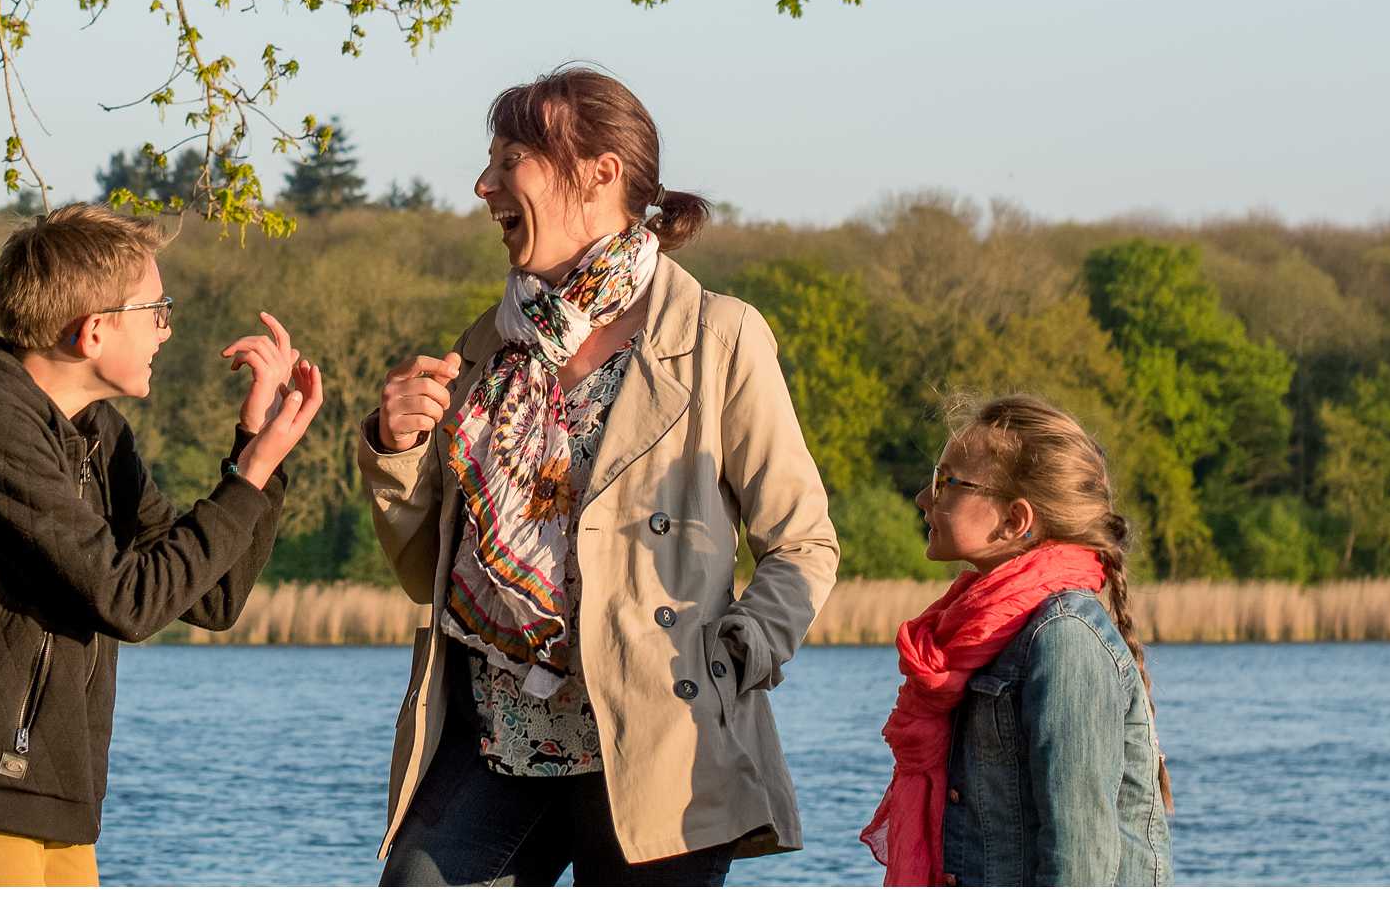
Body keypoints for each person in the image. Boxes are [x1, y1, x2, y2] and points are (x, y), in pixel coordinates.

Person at [362, 66, 838, 886]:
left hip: (662, 741)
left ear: (599, 171)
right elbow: (424, 576)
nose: (484, 184)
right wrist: (395, 449)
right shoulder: (488, 346)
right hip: (497, 738)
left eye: (510, 157)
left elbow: (803, 542)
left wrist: (735, 653)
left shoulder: (719, 335)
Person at [0, 203, 325, 885]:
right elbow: (129, 599)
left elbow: (213, 593)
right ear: (94, 330)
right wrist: (251, 474)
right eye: (156, 310)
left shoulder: (99, 434)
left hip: (54, 789)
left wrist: (254, 453)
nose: (166, 331)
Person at [864, 395, 1173, 887]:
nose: (925, 497)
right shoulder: (983, 632)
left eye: (947, 483)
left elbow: (1080, 864)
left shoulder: (1063, 638)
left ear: (1014, 520)